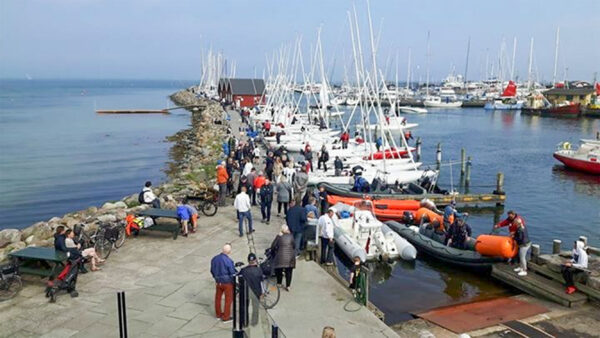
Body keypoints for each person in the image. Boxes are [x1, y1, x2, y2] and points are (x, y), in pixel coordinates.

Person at [210, 244, 236, 323]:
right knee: (228, 299)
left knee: (218, 298)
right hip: (227, 282)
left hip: (218, 282)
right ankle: (226, 317)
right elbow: (232, 272)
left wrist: (216, 278)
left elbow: (212, 270)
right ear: (229, 251)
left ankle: (218, 314)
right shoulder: (228, 261)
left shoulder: (214, 259)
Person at [240, 253, 264, 325]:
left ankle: (245, 322)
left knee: (244, 308)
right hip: (256, 292)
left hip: (246, 292)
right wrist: (262, 292)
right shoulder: (259, 270)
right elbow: (261, 283)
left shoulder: (243, 270)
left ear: (248, 261)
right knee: (255, 308)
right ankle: (254, 322)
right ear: (255, 260)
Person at [270, 225, 296, 291]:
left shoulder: (279, 237)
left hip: (280, 258)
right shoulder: (291, 236)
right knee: (289, 272)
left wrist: (278, 236)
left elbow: (272, 246)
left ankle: (279, 283)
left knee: (279, 270)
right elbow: (294, 246)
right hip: (290, 258)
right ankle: (288, 286)